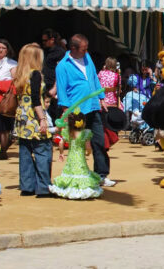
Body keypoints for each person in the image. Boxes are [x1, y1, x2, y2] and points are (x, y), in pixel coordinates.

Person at [55, 35, 113, 187]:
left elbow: (94, 77)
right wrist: (65, 111)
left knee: (99, 142)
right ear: (73, 48)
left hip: (93, 106)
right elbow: (61, 89)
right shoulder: (62, 66)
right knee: (77, 144)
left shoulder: (87, 58)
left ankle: (101, 175)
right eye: (83, 49)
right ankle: (77, 175)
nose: (86, 51)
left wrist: (101, 97)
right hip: (76, 110)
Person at [13, 43, 53, 197]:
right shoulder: (35, 74)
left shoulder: (19, 74)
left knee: (25, 151)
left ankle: (27, 186)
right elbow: (36, 99)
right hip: (33, 117)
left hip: (22, 117)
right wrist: (42, 119)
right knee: (43, 151)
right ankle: (43, 187)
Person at [49, 111, 103, 199]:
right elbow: (88, 146)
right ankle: (82, 190)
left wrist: (61, 153)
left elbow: (61, 143)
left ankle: (68, 189)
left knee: (70, 171)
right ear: (83, 122)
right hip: (80, 158)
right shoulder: (85, 133)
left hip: (71, 158)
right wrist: (88, 152)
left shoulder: (68, 133)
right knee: (82, 171)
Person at [41, 29, 66, 121]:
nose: (43, 43)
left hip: (53, 87)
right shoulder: (44, 51)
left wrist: (54, 88)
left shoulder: (60, 52)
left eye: (45, 40)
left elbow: (61, 72)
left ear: (52, 40)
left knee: (53, 112)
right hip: (44, 85)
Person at [98, 57, 124, 134]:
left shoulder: (100, 73)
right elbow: (119, 89)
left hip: (101, 100)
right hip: (113, 101)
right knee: (122, 106)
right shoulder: (117, 76)